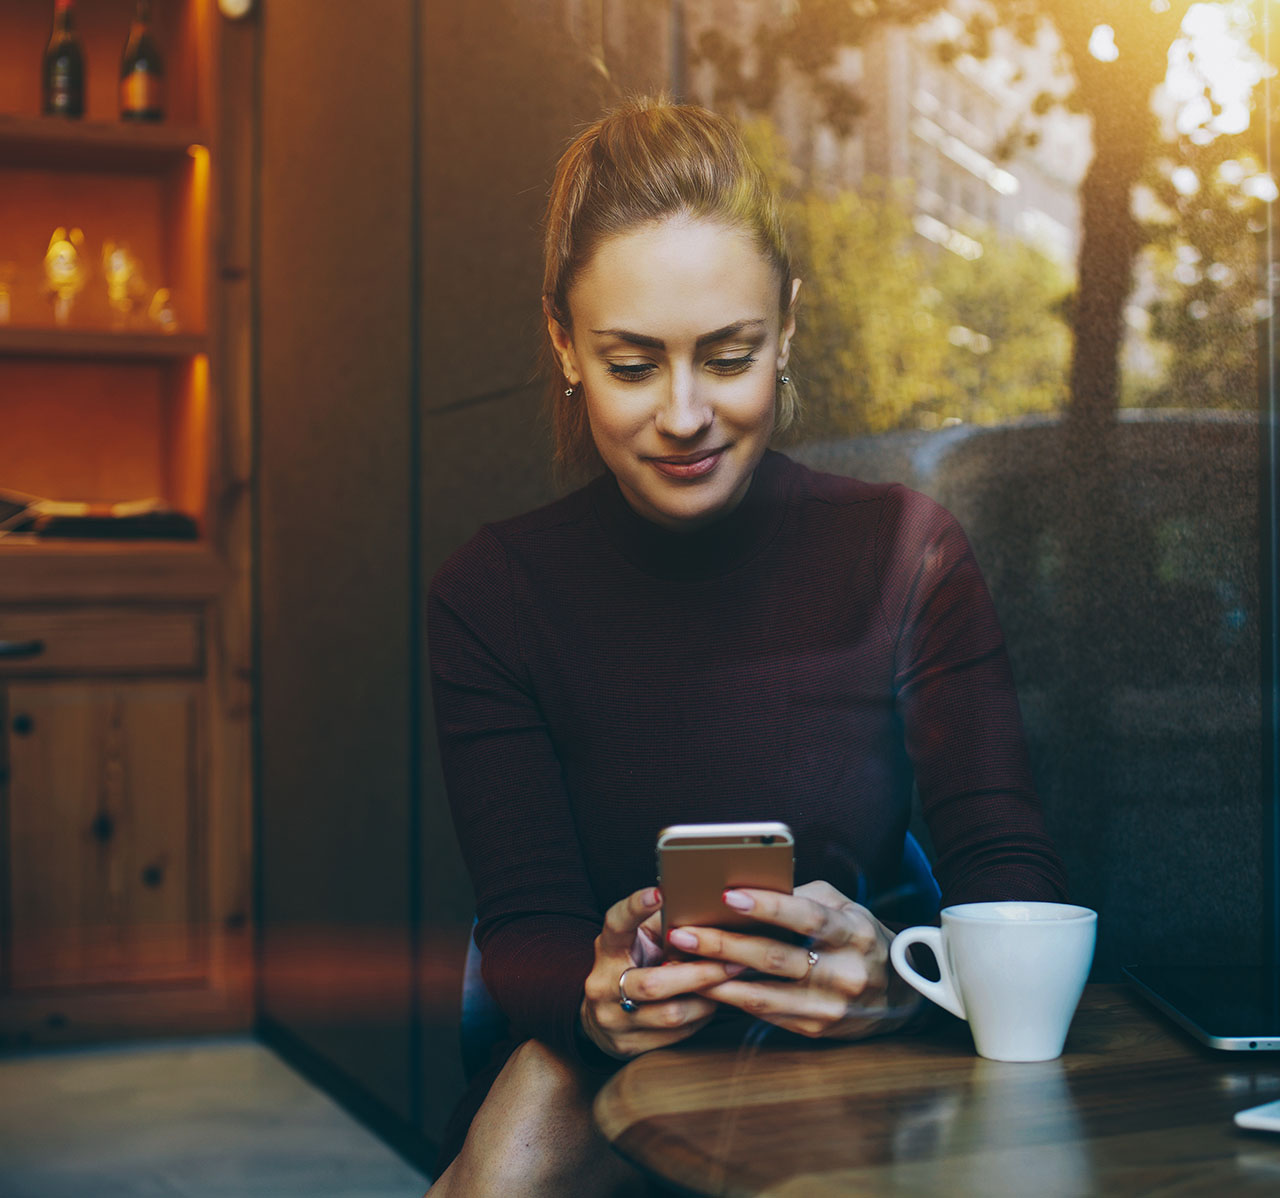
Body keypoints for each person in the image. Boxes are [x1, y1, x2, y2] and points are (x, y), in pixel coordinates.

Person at [426, 95, 1067, 1197]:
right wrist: (593, 991)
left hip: (853, 1053)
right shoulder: (492, 593)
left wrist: (901, 987)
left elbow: (1007, 874)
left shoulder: (910, 554)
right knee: (520, 1141)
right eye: (631, 365)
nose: (684, 415)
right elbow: (524, 929)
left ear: (786, 329)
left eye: (727, 356)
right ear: (562, 344)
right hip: (601, 1065)